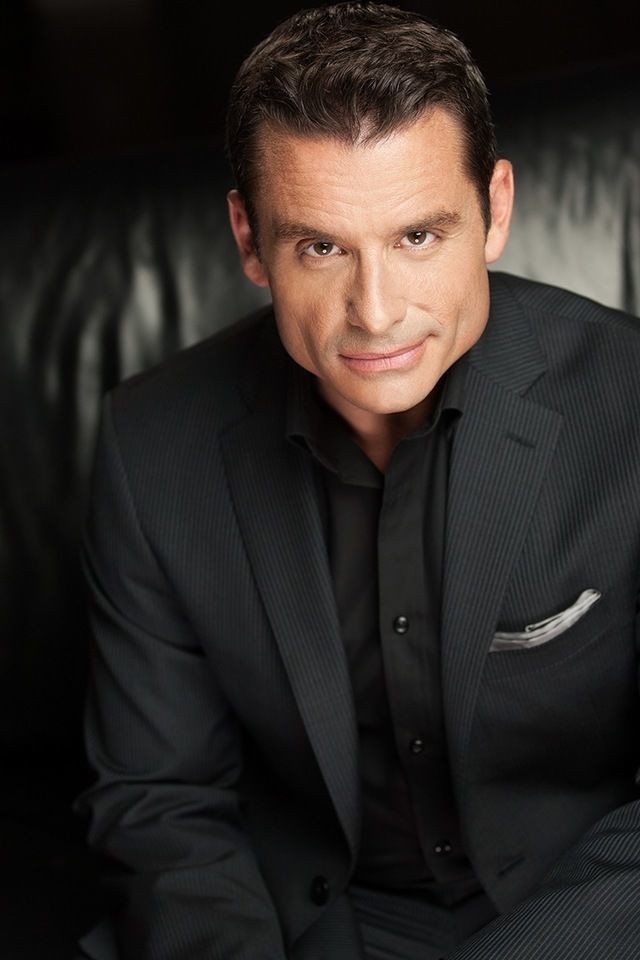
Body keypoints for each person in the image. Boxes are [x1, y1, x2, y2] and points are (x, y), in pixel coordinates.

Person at [73, 2, 640, 959]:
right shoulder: (151, 448)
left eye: (417, 236)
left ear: (496, 210)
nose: (375, 313)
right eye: (322, 247)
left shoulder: (629, 402)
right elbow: (160, 802)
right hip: (310, 925)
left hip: (573, 916)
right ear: (249, 239)